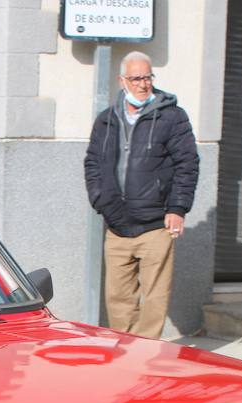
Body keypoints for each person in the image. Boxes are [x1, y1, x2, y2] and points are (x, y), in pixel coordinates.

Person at [83, 50, 199, 339]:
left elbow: (188, 164)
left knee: (155, 299)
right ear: (123, 80)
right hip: (117, 224)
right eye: (136, 78)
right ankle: (125, 355)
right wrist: (101, 200)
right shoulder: (106, 119)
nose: (143, 84)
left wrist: (177, 208)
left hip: (156, 224)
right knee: (118, 300)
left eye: (147, 77)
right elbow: (93, 163)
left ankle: (147, 356)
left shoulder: (172, 116)